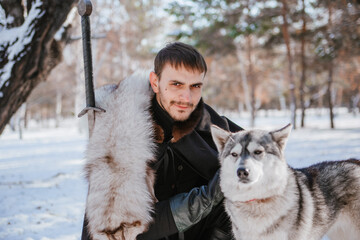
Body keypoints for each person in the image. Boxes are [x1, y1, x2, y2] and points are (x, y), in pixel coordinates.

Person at [81, 42, 242, 240]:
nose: (186, 97)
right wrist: (207, 198)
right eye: (176, 84)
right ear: (155, 82)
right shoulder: (120, 132)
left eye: (195, 86)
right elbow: (121, 230)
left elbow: (252, 148)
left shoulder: (197, 114)